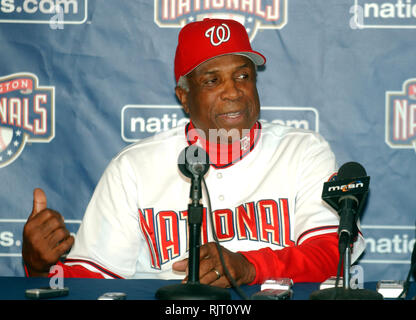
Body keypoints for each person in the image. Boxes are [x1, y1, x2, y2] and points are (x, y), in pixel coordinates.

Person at [22, 18, 365, 288]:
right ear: (184, 97)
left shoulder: (302, 152)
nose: (233, 92)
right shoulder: (135, 168)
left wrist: (250, 267)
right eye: (212, 81)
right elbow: (92, 280)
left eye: (242, 76)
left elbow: (333, 253)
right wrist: (39, 269)